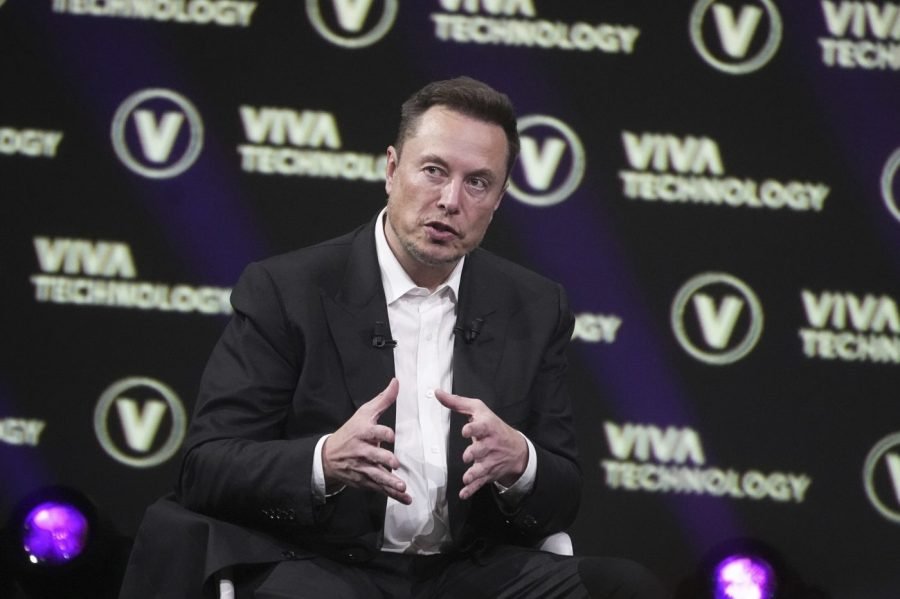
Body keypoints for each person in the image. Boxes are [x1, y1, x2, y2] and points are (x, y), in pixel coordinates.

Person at [150, 76, 664, 598]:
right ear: (392, 169)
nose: (450, 200)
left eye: (478, 182)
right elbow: (205, 467)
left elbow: (563, 492)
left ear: (499, 198)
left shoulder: (534, 306)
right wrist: (323, 461)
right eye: (434, 170)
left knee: (626, 589)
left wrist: (521, 463)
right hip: (324, 564)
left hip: (466, 572)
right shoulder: (288, 290)